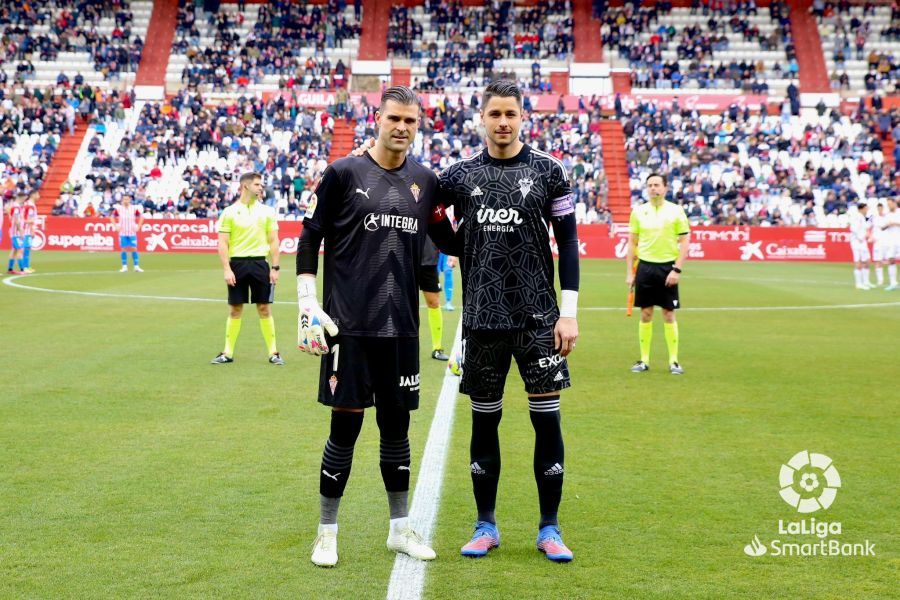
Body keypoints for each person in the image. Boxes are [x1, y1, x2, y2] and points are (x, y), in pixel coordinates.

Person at [296, 86, 458, 568]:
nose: (402, 128)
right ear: (378, 118)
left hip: (401, 330)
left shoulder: (425, 181)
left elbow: (451, 240)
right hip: (347, 330)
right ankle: (327, 534)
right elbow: (308, 241)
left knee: (397, 429)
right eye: (394, 119)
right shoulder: (343, 173)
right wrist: (307, 303)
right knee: (344, 430)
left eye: (411, 121)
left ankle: (400, 530)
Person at [439, 81, 580, 563]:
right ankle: (486, 524)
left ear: (523, 118)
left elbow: (570, 246)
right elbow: (425, 207)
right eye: (494, 113)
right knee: (486, 422)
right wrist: (458, 244)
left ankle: (550, 528)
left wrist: (570, 312)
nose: (503, 121)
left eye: (511, 113)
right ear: (481, 117)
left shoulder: (549, 171)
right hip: (482, 319)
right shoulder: (459, 176)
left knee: (547, 422)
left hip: (539, 319)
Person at [211, 172, 284, 366]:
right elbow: (223, 243)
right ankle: (227, 352)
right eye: (258, 185)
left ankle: (274, 353)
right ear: (245, 187)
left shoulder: (267, 211)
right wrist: (227, 269)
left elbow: (274, 240)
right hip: (237, 265)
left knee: (264, 308)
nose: (261, 188)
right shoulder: (228, 212)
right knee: (235, 309)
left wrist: (275, 267)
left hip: (260, 264)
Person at [626, 173, 690, 375]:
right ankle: (644, 360)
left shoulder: (676, 211)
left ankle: (674, 361)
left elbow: (685, 243)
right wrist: (630, 272)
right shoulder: (638, 211)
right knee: (645, 314)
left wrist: (677, 270)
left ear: (665, 188)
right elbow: (632, 242)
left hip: (667, 268)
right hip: (645, 267)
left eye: (657, 185)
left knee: (669, 314)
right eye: (650, 185)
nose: (653, 188)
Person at [421, 236, 449, 360]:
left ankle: (437, 348)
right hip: (406, 258)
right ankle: (397, 346)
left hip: (428, 260)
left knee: (433, 302)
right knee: (403, 303)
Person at [111, 194, 144, 272]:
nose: (125, 201)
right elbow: (112, 217)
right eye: (124, 199)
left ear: (129, 200)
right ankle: (124, 266)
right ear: (122, 200)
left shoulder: (134, 209)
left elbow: (141, 217)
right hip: (123, 232)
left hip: (132, 232)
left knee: (134, 248)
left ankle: (136, 266)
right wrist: (116, 226)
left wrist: (138, 226)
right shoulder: (119, 209)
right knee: (123, 248)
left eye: (127, 199)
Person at [849, 203, 873, 289]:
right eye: (866, 209)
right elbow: (853, 228)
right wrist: (859, 237)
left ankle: (866, 282)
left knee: (866, 260)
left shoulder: (864, 217)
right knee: (858, 261)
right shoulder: (856, 217)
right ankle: (859, 283)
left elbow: (868, 225)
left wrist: (871, 216)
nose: (867, 210)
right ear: (861, 209)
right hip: (856, 242)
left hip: (863, 242)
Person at [883, 198, 900, 291]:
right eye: (888, 204)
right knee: (891, 260)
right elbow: (882, 227)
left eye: (890, 204)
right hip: (891, 241)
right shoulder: (887, 215)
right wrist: (887, 225)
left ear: (894, 203)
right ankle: (893, 283)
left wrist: (895, 223)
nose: (889, 206)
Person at [19, 192, 38, 274]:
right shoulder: (30, 206)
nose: (38, 196)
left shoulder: (28, 204)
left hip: (26, 229)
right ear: (33, 195)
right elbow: (29, 219)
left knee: (27, 249)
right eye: (37, 194)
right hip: (27, 230)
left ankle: (27, 266)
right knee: (26, 249)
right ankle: (24, 267)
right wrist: (32, 230)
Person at [7, 194, 26, 275]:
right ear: (21, 197)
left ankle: (10, 269)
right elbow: (17, 220)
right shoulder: (16, 207)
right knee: (20, 250)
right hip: (16, 233)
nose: (25, 200)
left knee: (14, 250)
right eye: (25, 198)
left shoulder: (14, 206)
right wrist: (21, 231)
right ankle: (22, 270)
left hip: (14, 232)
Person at [872, 203, 890, 287]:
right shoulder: (874, 218)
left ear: (883, 208)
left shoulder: (887, 217)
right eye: (878, 208)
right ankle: (880, 280)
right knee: (878, 261)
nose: (880, 210)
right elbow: (868, 227)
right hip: (878, 242)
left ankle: (891, 280)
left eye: (881, 208)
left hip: (887, 241)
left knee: (890, 260)